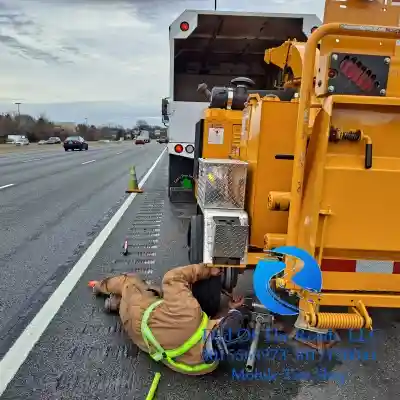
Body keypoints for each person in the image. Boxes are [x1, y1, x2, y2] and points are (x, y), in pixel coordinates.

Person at [89, 263, 250, 375]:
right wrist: (230, 309)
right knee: (155, 299)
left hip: (140, 310)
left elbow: (172, 278)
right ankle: (116, 304)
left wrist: (208, 269)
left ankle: (99, 287)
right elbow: (202, 334)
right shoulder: (208, 365)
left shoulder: (190, 314)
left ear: (220, 325)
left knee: (132, 282)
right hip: (141, 337)